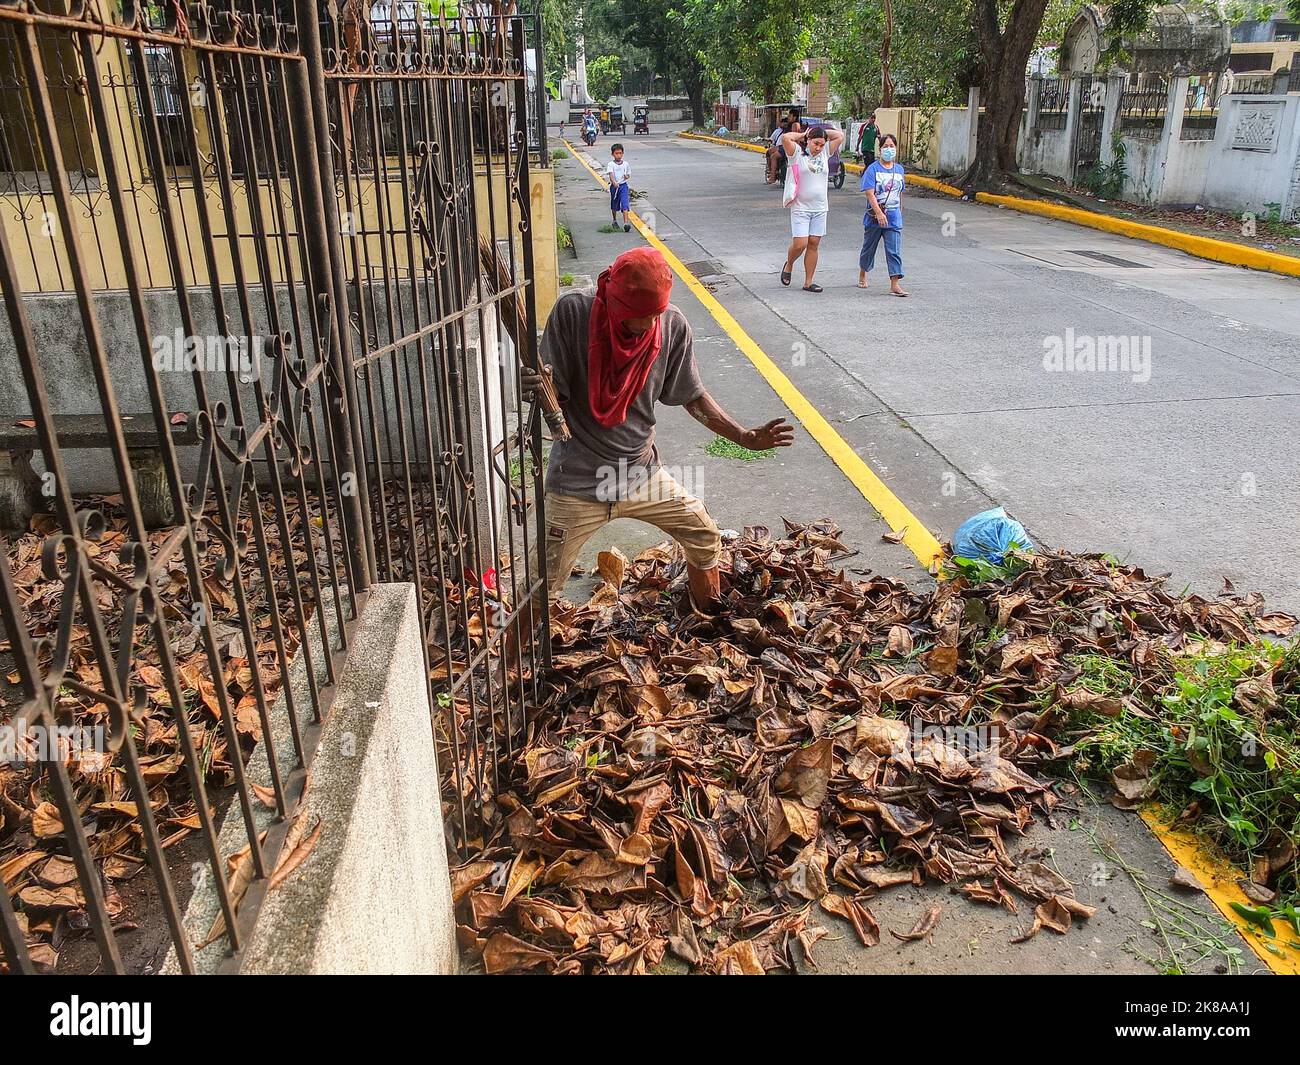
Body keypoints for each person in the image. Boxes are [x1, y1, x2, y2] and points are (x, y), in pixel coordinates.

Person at [521, 247, 794, 611]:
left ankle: (708, 622)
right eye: (641, 315)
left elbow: (693, 397)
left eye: (656, 313)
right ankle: (516, 665)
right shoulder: (574, 313)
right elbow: (552, 390)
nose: (651, 324)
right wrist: (536, 385)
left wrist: (743, 437)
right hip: (577, 481)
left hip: (641, 473)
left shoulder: (672, 325)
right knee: (541, 586)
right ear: (616, 302)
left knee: (703, 535)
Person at [779, 123, 844, 293]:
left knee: (814, 243)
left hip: (820, 207)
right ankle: (790, 264)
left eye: (822, 144)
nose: (818, 147)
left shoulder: (825, 153)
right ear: (808, 141)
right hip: (801, 207)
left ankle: (808, 282)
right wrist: (804, 134)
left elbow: (839, 136)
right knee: (800, 243)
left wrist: (822, 133)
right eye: (816, 143)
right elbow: (785, 137)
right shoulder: (797, 154)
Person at [858, 133, 907, 296]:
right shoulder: (872, 169)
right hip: (875, 216)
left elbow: (900, 193)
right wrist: (879, 213)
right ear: (880, 149)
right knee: (869, 248)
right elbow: (870, 193)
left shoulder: (899, 169)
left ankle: (895, 283)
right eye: (885, 146)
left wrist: (900, 212)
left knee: (894, 250)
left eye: (891, 146)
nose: (889, 149)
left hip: (893, 216)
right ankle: (863, 272)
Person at [607, 142, 632, 232]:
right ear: (612, 154)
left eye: (620, 153)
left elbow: (628, 174)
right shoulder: (611, 164)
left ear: (623, 153)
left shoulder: (625, 164)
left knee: (625, 203)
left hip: (623, 186)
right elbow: (611, 174)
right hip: (615, 187)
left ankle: (626, 223)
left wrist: (626, 176)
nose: (618, 155)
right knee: (614, 204)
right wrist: (614, 182)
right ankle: (614, 220)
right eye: (616, 153)